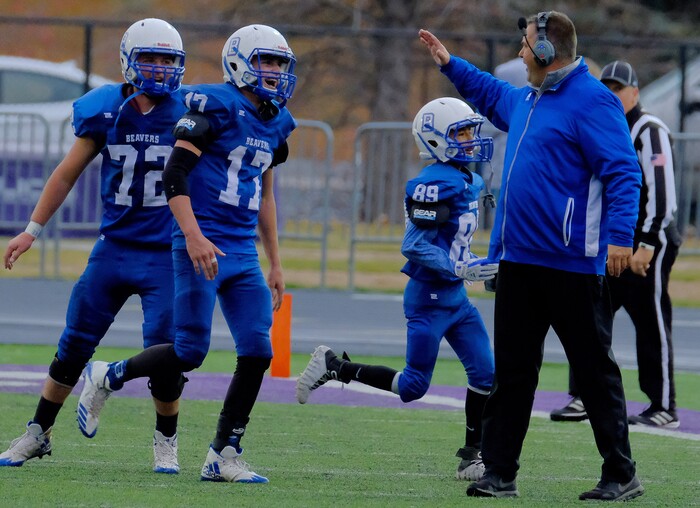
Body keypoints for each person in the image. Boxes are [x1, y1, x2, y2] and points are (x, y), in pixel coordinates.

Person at [419, 11, 645, 501]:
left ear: (546, 53)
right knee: (514, 372)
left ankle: (621, 473)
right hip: (519, 261)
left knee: (593, 373)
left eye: (525, 46)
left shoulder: (594, 102)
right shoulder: (527, 97)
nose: (520, 53)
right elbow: (489, 93)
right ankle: (499, 473)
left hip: (571, 265)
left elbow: (624, 173)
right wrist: (450, 64)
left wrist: (620, 239)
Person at [75, 24, 297, 484]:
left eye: (279, 63)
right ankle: (108, 375)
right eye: (265, 61)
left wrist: (275, 261)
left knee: (258, 350)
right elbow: (175, 175)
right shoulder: (212, 105)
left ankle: (224, 453)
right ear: (238, 62)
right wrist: (193, 235)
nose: (274, 71)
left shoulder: (278, 121)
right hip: (203, 240)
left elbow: (266, 195)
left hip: (242, 250)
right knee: (190, 351)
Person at [0, 18, 187, 474]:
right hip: (114, 247)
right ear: (128, 60)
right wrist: (32, 229)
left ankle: (167, 442)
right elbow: (66, 173)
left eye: (168, 60)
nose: (160, 69)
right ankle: (37, 433)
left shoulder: (191, 110)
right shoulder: (105, 109)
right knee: (74, 343)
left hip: (166, 252)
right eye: (150, 58)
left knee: (164, 353)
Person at [296, 96, 498, 481]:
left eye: (472, 131)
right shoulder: (434, 182)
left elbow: (458, 242)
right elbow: (414, 245)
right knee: (412, 387)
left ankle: (473, 455)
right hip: (429, 299)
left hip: (457, 298)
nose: (472, 139)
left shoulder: (469, 178)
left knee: (485, 373)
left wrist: (481, 264)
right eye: (462, 133)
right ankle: (334, 366)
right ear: (437, 140)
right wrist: (460, 266)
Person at [551, 60, 682, 429]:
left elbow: (662, 192)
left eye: (618, 88)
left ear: (635, 92)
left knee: (651, 319)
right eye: (605, 88)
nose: (611, 95)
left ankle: (664, 405)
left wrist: (647, 244)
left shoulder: (648, 129)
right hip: (608, 242)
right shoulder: (599, 126)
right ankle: (584, 396)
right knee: (590, 319)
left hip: (645, 243)